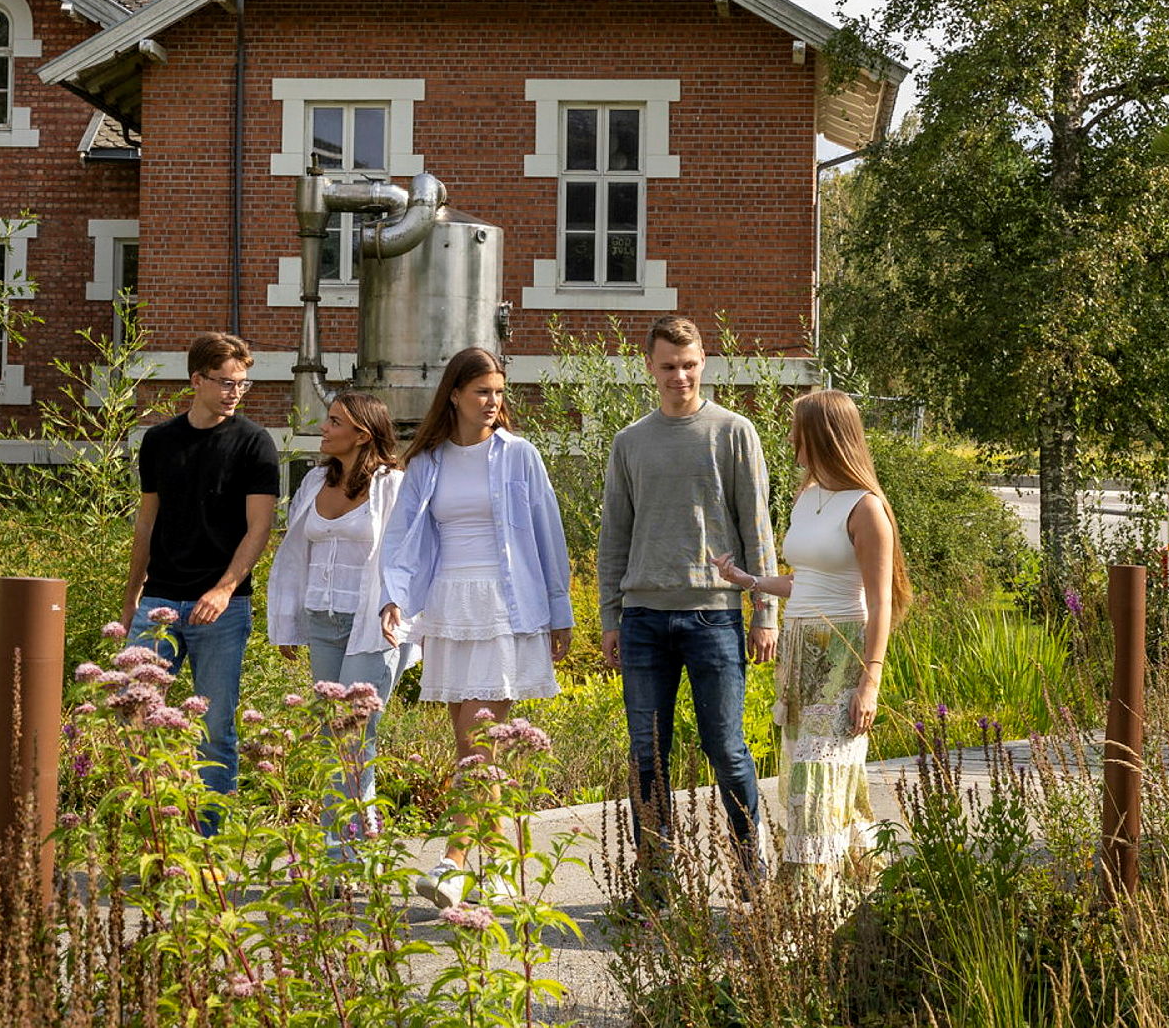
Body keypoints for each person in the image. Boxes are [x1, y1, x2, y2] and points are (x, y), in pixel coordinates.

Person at [379, 346, 573, 908]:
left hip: (506, 608)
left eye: (499, 393)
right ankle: (503, 868)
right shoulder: (427, 463)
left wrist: (560, 614)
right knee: (469, 745)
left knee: (478, 746)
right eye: (483, 391)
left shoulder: (520, 456)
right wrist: (395, 600)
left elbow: (547, 535)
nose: (493, 402)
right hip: (448, 608)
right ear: (456, 395)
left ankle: (451, 862)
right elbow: (402, 540)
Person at [598, 315, 778, 889]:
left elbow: (757, 528)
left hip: (714, 615)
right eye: (669, 365)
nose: (680, 375)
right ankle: (657, 881)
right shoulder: (629, 442)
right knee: (646, 755)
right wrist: (610, 617)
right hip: (644, 618)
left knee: (725, 748)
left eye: (690, 364)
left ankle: (752, 871)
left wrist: (763, 613)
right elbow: (613, 536)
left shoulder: (733, 432)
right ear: (649, 367)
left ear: (705, 363)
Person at [714, 389, 912, 892]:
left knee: (815, 779)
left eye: (797, 429)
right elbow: (805, 580)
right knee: (821, 778)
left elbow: (881, 600)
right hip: (800, 651)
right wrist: (747, 580)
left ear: (822, 436)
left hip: (843, 652)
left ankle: (811, 904)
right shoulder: (807, 497)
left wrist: (872, 680)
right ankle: (863, 889)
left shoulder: (867, 509)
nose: (790, 438)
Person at [122, 331, 281, 801]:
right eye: (226, 382)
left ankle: (210, 840)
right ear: (196, 380)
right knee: (134, 717)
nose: (235, 392)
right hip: (159, 600)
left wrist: (224, 589)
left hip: (222, 609)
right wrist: (133, 592)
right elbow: (147, 520)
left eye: (242, 384)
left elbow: (259, 529)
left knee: (215, 728)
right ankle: (145, 829)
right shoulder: (159, 441)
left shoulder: (255, 444)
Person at [266, 390, 408, 845]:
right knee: (334, 736)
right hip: (323, 621)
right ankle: (354, 841)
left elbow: (408, 552)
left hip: (371, 623)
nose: (323, 428)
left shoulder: (392, 485)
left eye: (333, 422)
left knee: (354, 736)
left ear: (362, 434)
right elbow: (294, 554)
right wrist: (290, 619)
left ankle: (341, 847)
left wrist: (397, 604)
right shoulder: (313, 483)